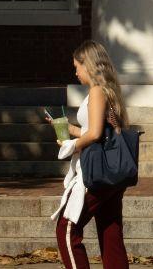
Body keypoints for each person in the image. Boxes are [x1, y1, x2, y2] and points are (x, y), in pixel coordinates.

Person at [54, 41, 130, 269]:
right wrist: (71, 130)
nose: (75, 72)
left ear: (87, 65)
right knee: (110, 232)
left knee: (66, 229)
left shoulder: (97, 91)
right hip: (112, 172)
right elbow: (99, 131)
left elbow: (95, 134)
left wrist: (71, 146)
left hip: (95, 172)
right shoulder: (109, 91)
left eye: (76, 66)